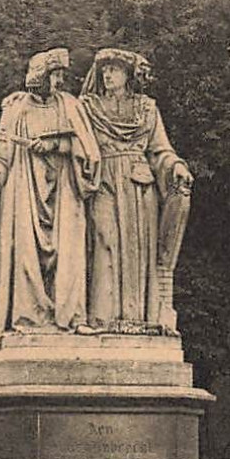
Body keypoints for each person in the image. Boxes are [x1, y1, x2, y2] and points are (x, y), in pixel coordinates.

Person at [0, 48, 100, 341]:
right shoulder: (16, 109)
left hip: (65, 190)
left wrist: (55, 146)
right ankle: (30, 320)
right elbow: (2, 154)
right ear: (41, 76)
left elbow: (88, 152)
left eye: (62, 75)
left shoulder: (71, 106)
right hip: (26, 193)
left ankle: (73, 318)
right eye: (56, 75)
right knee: (27, 257)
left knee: (71, 254)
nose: (60, 81)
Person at [77, 49, 193, 332]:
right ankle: (102, 318)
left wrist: (176, 165)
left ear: (128, 75)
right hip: (104, 181)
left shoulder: (147, 108)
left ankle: (139, 318)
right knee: (106, 241)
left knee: (139, 249)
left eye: (113, 69)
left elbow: (160, 150)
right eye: (104, 70)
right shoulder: (87, 106)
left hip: (139, 186)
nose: (107, 75)